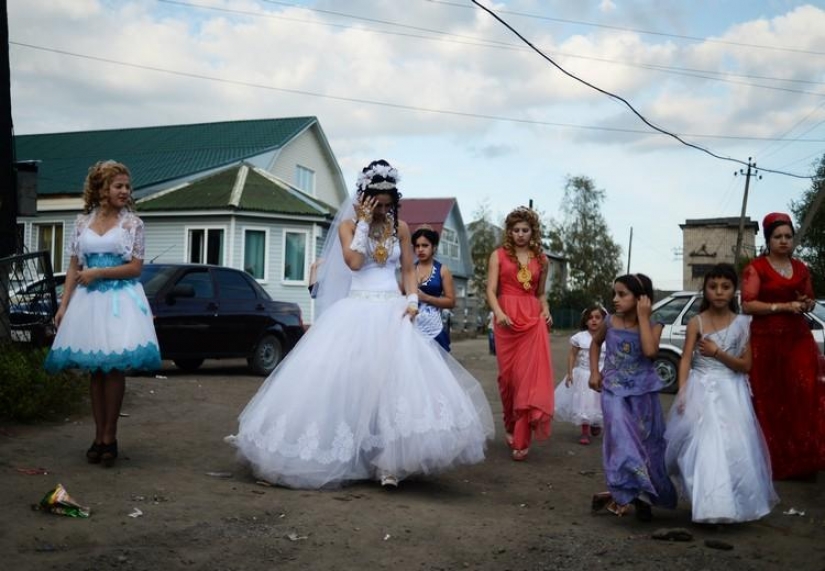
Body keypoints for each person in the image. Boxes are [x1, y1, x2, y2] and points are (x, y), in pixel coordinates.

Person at [230, 160, 494, 489]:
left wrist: (412, 300)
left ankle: (389, 462)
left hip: (393, 313)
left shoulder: (401, 228)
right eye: (377, 204)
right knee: (349, 384)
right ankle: (350, 454)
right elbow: (354, 263)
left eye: (388, 205)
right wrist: (365, 224)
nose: (383, 210)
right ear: (365, 198)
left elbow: (409, 269)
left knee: (392, 386)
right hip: (356, 311)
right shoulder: (349, 226)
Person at [44, 160, 161, 467]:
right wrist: (64, 304)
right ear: (101, 189)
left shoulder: (133, 224)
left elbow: (136, 268)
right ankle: (98, 436)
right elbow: (73, 266)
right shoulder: (82, 222)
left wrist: (99, 273)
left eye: (127, 186)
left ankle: (110, 436)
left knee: (113, 369)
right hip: (87, 302)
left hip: (119, 300)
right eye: (118, 186)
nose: (125, 191)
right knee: (95, 371)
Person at [665, 263, 778, 523]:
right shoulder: (696, 322)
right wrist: (683, 393)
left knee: (736, 446)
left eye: (725, 287)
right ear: (705, 291)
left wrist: (718, 352)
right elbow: (685, 360)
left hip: (731, 392)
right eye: (713, 287)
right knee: (705, 445)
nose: (718, 292)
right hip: (701, 388)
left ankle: (736, 501)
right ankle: (712, 506)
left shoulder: (743, 324)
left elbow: (745, 366)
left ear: (733, 291)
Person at [741, 212, 825, 480]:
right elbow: (747, 304)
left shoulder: (800, 268)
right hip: (766, 340)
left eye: (788, 236)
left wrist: (806, 303)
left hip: (797, 338)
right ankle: (774, 462)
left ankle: (804, 461)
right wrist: (783, 306)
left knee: (804, 394)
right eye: (778, 237)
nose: (784, 241)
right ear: (768, 239)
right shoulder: (756, 267)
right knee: (771, 397)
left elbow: (809, 299)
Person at [589, 273, 676, 521]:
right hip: (613, 390)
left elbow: (650, 351)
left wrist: (643, 317)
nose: (615, 299)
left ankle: (642, 497)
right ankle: (629, 491)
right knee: (622, 438)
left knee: (647, 445)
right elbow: (595, 344)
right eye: (614, 293)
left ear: (641, 299)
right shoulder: (610, 321)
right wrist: (595, 371)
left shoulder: (654, 324)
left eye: (622, 294)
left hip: (643, 394)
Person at [486, 206, 553, 461]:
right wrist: (499, 313)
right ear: (510, 232)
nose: (521, 234)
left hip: (532, 321)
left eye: (525, 230)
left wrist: (546, 310)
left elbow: (540, 294)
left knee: (528, 381)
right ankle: (511, 425)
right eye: (516, 230)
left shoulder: (542, 259)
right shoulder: (498, 255)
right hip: (506, 321)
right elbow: (490, 290)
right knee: (508, 380)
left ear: (532, 231)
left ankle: (522, 438)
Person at [554, 305, 606, 445]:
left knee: (599, 402)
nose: (593, 320)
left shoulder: (608, 337)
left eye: (597, 317)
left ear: (604, 320)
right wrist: (570, 372)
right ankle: (584, 431)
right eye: (590, 318)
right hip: (584, 375)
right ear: (585, 321)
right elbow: (572, 355)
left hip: (603, 374)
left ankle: (596, 423)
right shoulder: (580, 337)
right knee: (585, 403)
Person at [411, 225, 455, 351]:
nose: (420, 249)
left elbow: (451, 302)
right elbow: (400, 294)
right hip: (411, 326)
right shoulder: (409, 270)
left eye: (425, 245)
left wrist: (426, 298)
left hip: (433, 328)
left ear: (434, 247)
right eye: (417, 246)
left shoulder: (443, 270)